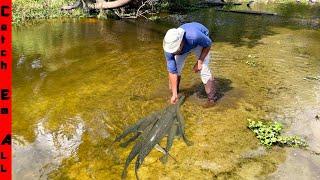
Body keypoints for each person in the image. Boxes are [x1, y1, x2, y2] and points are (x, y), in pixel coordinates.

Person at [163, 22, 216, 106]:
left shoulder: (194, 36)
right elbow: (172, 72)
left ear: (181, 42)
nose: (174, 53)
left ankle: (211, 99)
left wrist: (200, 61)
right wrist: (174, 94)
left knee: (203, 69)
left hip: (200, 43)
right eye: (172, 51)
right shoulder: (168, 49)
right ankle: (176, 94)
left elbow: (208, 44)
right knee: (177, 69)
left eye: (175, 50)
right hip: (186, 45)